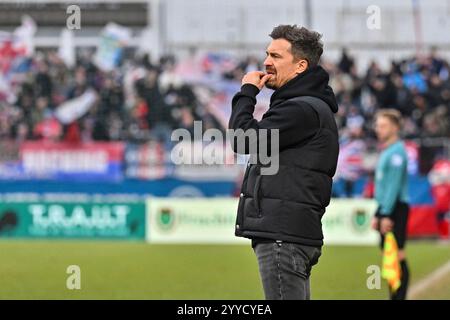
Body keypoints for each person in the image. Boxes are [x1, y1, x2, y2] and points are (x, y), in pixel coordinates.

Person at [228, 25, 339, 300]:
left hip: (284, 235)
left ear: (301, 65)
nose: (266, 62)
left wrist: (246, 93)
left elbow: (244, 141)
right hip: (292, 233)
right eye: (267, 54)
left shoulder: (300, 109)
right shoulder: (307, 105)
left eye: (276, 56)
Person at [371, 109, 410, 300]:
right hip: (387, 208)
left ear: (395, 128)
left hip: (395, 208)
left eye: (383, 125)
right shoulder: (388, 151)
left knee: (397, 255)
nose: (378, 129)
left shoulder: (397, 153)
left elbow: (393, 187)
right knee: (390, 255)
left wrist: (385, 214)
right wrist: (378, 213)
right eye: (377, 125)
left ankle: (399, 297)